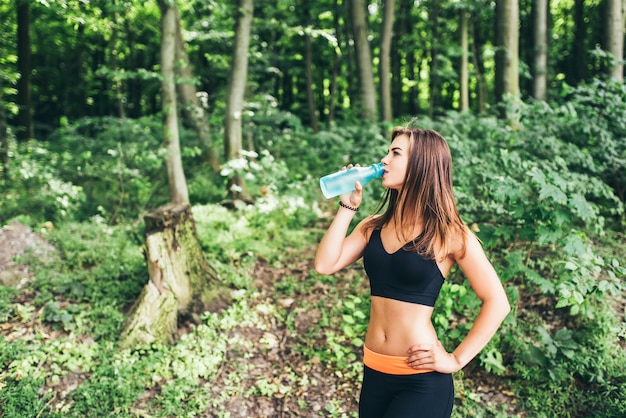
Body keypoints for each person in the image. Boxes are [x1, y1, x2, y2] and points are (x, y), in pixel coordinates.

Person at [314, 124, 511, 417]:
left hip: (420, 382)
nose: (384, 160)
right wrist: (347, 207)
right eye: (387, 151)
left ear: (422, 164)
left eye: (395, 153)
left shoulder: (450, 234)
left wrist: (455, 359)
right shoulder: (373, 226)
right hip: (374, 374)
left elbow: (498, 302)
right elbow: (325, 265)